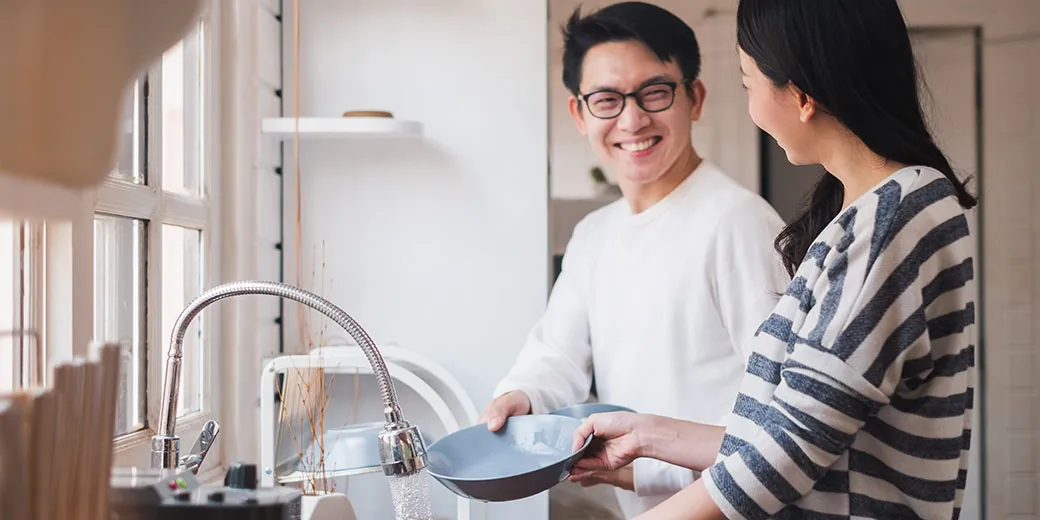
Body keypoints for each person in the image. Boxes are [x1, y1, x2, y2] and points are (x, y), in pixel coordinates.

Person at [570, 0, 979, 519]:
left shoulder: (894, 217)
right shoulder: (869, 215)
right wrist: (649, 434)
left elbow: (789, 449)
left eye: (747, 82)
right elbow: (789, 426)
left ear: (801, 95)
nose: (751, 105)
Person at [479, 2, 789, 517]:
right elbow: (556, 356)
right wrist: (522, 397)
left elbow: (786, 422)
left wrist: (639, 469)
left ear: (695, 97)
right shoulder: (594, 236)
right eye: (606, 99)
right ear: (579, 113)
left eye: (655, 91)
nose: (632, 118)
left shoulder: (739, 224)